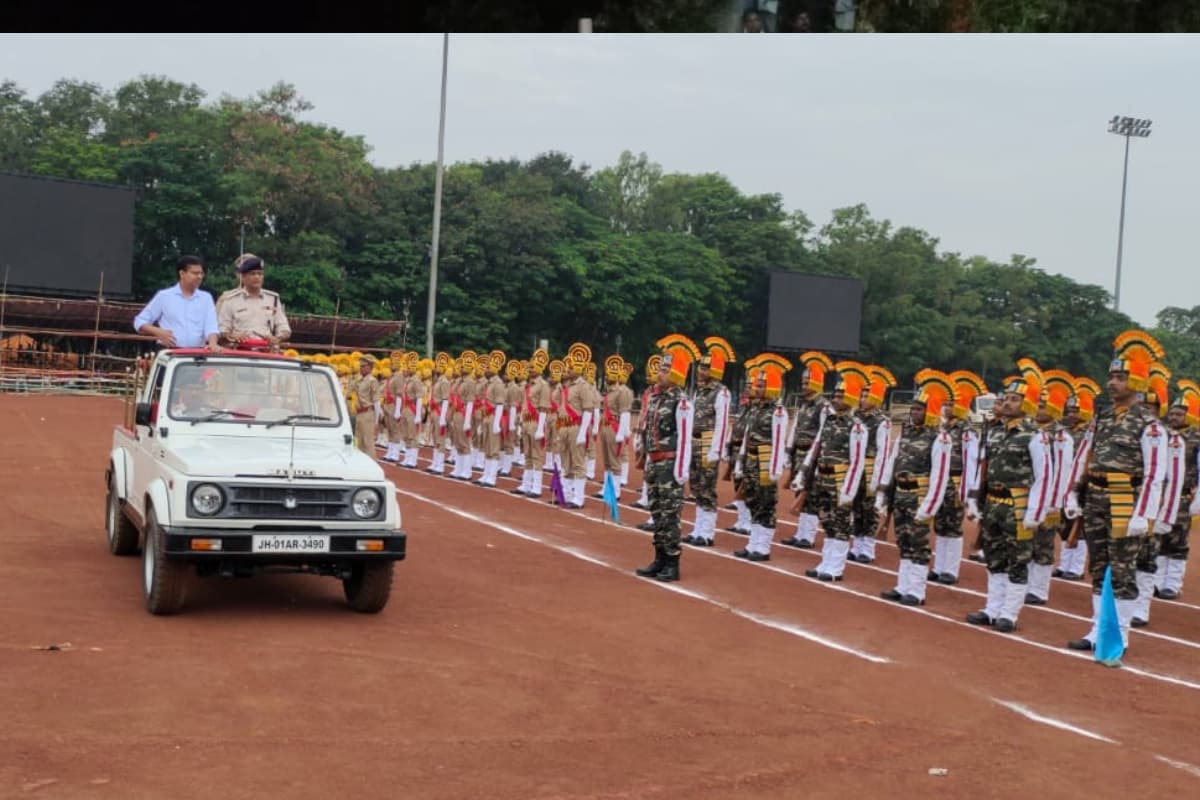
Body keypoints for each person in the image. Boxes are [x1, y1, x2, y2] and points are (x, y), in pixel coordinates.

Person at [1066, 331, 1168, 652]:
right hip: (1095, 496)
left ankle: (1119, 635)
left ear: (1136, 383)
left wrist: (1144, 514)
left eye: (1121, 378)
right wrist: (1073, 493)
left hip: (1126, 499)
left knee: (1122, 570)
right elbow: (1085, 455)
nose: (1112, 383)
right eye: (1111, 377)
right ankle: (1098, 629)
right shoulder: (1103, 417)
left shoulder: (1149, 425)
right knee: (1098, 566)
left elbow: (1154, 474)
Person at [964, 360, 1052, 634]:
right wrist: (977, 501)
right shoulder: (996, 432)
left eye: (1015, 399)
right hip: (994, 504)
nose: (1008, 403)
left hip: (1018, 505)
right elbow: (985, 469)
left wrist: (1035, 512)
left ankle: (1010, 614)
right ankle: (993, 608)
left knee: (1017, 559)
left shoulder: (1034, 435)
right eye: (1007, 398)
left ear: (1026, 404)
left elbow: (1044, 476)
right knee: (995, 557)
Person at [876, 371, 953, 606]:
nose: (915, 412)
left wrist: (929, 507)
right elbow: (892, 462)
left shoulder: (939, 438)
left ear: (930, 411)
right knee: (904, 541)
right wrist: (883, 493)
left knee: (919, 544)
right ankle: (903, 585)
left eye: (920, 409)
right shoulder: (906, 433)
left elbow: (939, 476)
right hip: (900, 494)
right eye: (914, 408)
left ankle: (917, 591)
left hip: (920, 496)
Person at [793, 361, 870, 582]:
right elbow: (816, 448)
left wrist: (849, 490)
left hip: (841, 480)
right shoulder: (828, 421)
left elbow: (857, 462)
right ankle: (825, 562)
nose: (836, 400)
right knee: (826, 521)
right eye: (835, 396)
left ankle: (835, 567)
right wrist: (804, 473)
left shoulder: (856, 427)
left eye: (841, 396)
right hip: (822, 478)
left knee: (840, 524)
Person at [634, 335, 696, 582]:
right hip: (655, 462)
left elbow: (684, 439)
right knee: (657, 512)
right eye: (660, 368)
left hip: (671, 465)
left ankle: (672, 562)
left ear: (677, 374)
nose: (660, 373)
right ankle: (659, 557)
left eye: (665, 369)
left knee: (670, 516)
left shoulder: (681, 403)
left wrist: (681, 471)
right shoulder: (656, 398)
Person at [731, 354, 791, 562]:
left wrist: (774, 470)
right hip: (751, 460)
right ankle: (753, 544)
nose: (757, 388)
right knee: (753, 501)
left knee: (766, 504)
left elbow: (778, 441)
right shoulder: (755, 408)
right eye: (757, 384)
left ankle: (763, 547)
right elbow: (747, 436)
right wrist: (741, 461)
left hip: (766, 462)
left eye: (762, 385)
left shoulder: (778, 412)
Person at [683, 337, 735, 547]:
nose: (701, 372)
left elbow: (722, 423)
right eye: (701, 368)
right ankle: (698, 528)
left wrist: (716, 449)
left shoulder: (721, 392)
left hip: (707, 443)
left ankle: (707, 532)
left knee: (707, 489)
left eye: (705, 368)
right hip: (694, 443)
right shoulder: (699, 391)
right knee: (696, 487)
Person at [133, 255, 221, 351]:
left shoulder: (206, 298)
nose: (199, 277)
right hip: (169, 352)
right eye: (195, 273)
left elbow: (211, 326)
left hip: (198, 354)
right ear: (182, 273)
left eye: (201, 273)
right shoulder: (164, 296)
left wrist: (213, 343)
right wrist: (159, 332)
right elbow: (139, 321)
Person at [217, 254, 291, 350]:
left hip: (266, 350)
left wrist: (277, 338)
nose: (257, 277)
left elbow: (285, 329)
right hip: (239, 351)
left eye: (260, 274)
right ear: (243, 277)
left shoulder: (273, 299)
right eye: (252, 274)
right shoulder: (230, 300)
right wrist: (233, 336)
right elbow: (221, 330)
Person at [350, 355, 382, 458]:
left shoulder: (372, 381)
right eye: (360, 366)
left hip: (368, 414)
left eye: (364, 366)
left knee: (368, 443)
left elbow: (376, 402)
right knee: (358, 441)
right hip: (359, 414)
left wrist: (376, 422)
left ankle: (372, 465)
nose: (361, 368)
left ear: (370, 367)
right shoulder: (359, 380)